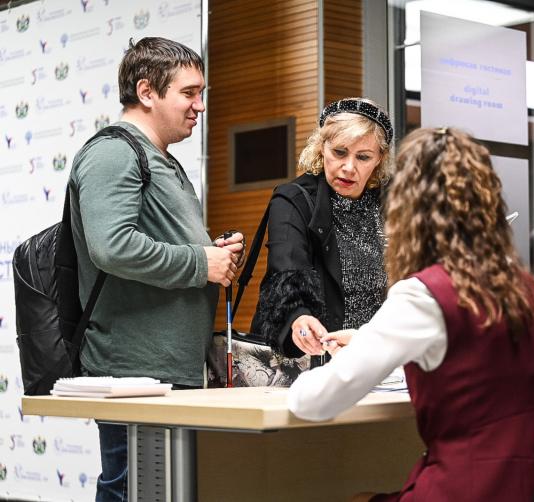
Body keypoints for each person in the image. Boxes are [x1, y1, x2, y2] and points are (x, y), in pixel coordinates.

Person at [288, 127, 534, 501]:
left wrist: (315, 372)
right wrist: (369, 340)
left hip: (463, 492)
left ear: (410, 209)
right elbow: (479, 359)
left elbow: (314, 401)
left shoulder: (423, 296)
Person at [69, 37, 244, 502]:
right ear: (147, 92)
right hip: (132, 373)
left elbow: (165, 244)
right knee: (131, 489)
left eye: (201, 93)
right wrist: (200, 262)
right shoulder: (113, 153)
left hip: (166, 370)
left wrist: (214, 253)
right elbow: (112, 247)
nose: (200, 106)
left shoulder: (162, 159)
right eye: (189, 93)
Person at [251, 97, 393, 361]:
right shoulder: (293, 199)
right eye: (339, 152)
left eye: (363, 157)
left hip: (379, 360)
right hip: (316, 360)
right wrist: (298, 316)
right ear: (321, 147)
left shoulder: (396, 204)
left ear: (379, 159)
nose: (349, 167)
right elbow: (286, 269)